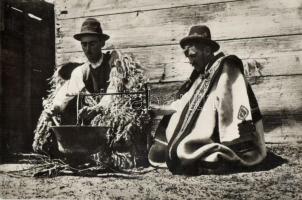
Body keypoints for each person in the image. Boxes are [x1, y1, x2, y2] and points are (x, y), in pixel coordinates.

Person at [148, 25, 267, 174]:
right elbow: (185, 103)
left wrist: (233, 141)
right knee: (178, 149)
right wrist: (159, 109)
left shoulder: (226, 68)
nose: (190, 61)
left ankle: (227, 150)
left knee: (183, 151)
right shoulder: (201, 75)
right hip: (209, 129)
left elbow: (230, 106)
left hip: (224, 132)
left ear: (207, 50)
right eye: (188, 57)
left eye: (193, 55)